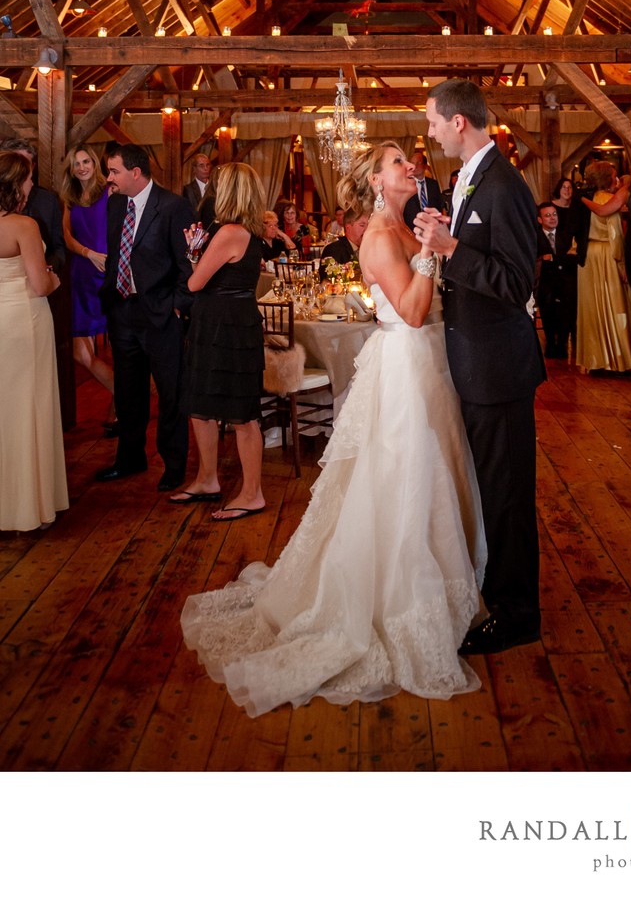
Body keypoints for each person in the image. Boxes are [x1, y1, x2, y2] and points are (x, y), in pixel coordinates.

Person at [181, 142, 485, 713]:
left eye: (409, 162)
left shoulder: (408, 227)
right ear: (376, 180)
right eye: (398, 163)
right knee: (404, 477)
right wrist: (428, 250)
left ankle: (451, 585)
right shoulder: (375, 238)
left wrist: (435, 245)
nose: (411, 168)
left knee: (439, 475)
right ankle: (398, 598)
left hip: (432, 366)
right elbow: (414, 311)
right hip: (403, 369)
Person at [417, 78, 544, 657]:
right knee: (493, 490)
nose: (430, 132)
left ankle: (519, 615)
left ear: (459, 122)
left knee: (510, 495)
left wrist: (451, 252)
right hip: (476, 364)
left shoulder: (505, 185)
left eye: (433, 122)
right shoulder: (468, 181)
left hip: (499, 368)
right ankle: (498, 592)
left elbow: (517, 281)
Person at [95, 144, 194, 492]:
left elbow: (188, 263)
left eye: (114, 171)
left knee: (170, 392)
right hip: (122, 310)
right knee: (128, 390)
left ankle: (174, 465)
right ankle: (129, 458)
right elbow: (114, 255)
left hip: (160, 313)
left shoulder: (173, 206)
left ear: (135, 173)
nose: (109, 179)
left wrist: (177, 305)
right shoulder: (115, 203)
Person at [171, 164, 267, 520]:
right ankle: (207, 479)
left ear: (228, 191)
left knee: (242, 415)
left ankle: (252, 492)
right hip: (222, 322)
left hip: (226, 326)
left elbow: (195, 283)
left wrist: (192, 256)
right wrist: (198, 255)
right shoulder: (249, 231)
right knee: (202, 403)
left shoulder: (230, 231)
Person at [0, 152, 68, 532]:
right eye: (28, 180)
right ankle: (29, 505)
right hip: (23, 321)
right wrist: (54, 278)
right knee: (29, 407)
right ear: (15, 183)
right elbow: (41, 284)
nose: (31, 186)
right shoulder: (23, 225)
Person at [60, 144, 115, 429]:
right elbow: (67, 236)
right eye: (76, 163)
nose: (81, 167)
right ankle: (122, 393)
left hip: (109, 274)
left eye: (86, 162)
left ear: (95, 164)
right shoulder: (69, 198)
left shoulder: (111, 192)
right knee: (80, 353)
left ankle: (120, 406)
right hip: (81, 273)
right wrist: (87, 253)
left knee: (122, 348)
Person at [576, 160, 631, 375]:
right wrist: (622, 265)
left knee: (592, 307)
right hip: (606, 255)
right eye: (613, 176)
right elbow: (615, 237)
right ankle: (615, 360)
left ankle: (595, 358)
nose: (616, 179)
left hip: (588, 257)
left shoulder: (586, 200)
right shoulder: (608, 201)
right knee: (614, 304)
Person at [0, 138, 66, 271]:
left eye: (26, 165)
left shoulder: (48, 200)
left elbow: (59, 248)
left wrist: (48, 267)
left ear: (33, 167)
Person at [535, 200, 578, 360]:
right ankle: (551, 345)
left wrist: (553, 258)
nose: (552, 218)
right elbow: (537, 259)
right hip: (545, 282)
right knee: (547, 306)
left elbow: (574, 258)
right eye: (547, 216)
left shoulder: (566, 236)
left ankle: (562, 345)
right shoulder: (535, 237)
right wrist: (559, 259)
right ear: (540, 220)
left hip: (566, 280)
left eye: (554, 214)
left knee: (568, 305)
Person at [319, 209, 369, 279]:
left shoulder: (370, 249)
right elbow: (328, 283)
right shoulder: (334, 250)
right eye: (362, 225)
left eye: (369, 225)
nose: (367, 229)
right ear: (348, 228)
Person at [403, 149, 443, 230]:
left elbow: (439, 205)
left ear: (425, 165)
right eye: (413, 163)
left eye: (419, 163)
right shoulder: (406, 184)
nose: (415, 166)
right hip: (411, 228)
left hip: (432, 227)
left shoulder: (433, 184)